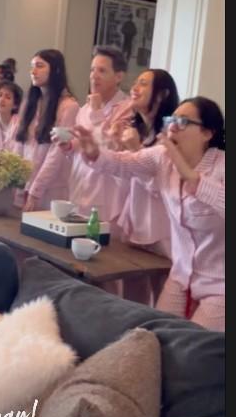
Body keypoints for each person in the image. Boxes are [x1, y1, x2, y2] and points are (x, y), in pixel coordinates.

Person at [71, 96, 225, 331]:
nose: (173, 127)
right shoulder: (162, 157)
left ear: (207, 133)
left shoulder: (221, 166)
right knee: (153, 333)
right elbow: (123, 163)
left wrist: (185, 169)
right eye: (171, 120)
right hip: (181, 275)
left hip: (220, 284)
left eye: (183, 121)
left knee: (195, 344)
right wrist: (94, 153)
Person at [114, 69, 180, 304]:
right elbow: (123, 179)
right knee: (133, 289)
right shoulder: (138, 130)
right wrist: (118, 145)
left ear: (162, 94)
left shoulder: (172, 133)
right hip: (136, 219)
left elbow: (164, 188)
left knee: (163, 294)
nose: (134, 88)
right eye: (135, 82)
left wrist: (136, 150)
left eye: (143, 83)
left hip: (162, 228)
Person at [56, 45, 132, 229]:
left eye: (102, 71)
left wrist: (97, 111)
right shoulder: (84, 109)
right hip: (79, 188)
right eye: (92, 70)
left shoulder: (128, 108)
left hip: (107, 195)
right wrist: (69, 147)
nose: (94, 76)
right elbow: (82, 147)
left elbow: (111, 148)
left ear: (118, 76)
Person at [14, 49, 79, 212]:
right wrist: (14, 178)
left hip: (50, 189)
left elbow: (56, 154)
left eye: (40, 66)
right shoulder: (31, 103)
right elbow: (20, 145)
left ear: (55, 70)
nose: (33, 71)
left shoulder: (69, 106)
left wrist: (36, 190)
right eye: (32, 66)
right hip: (24, 184)